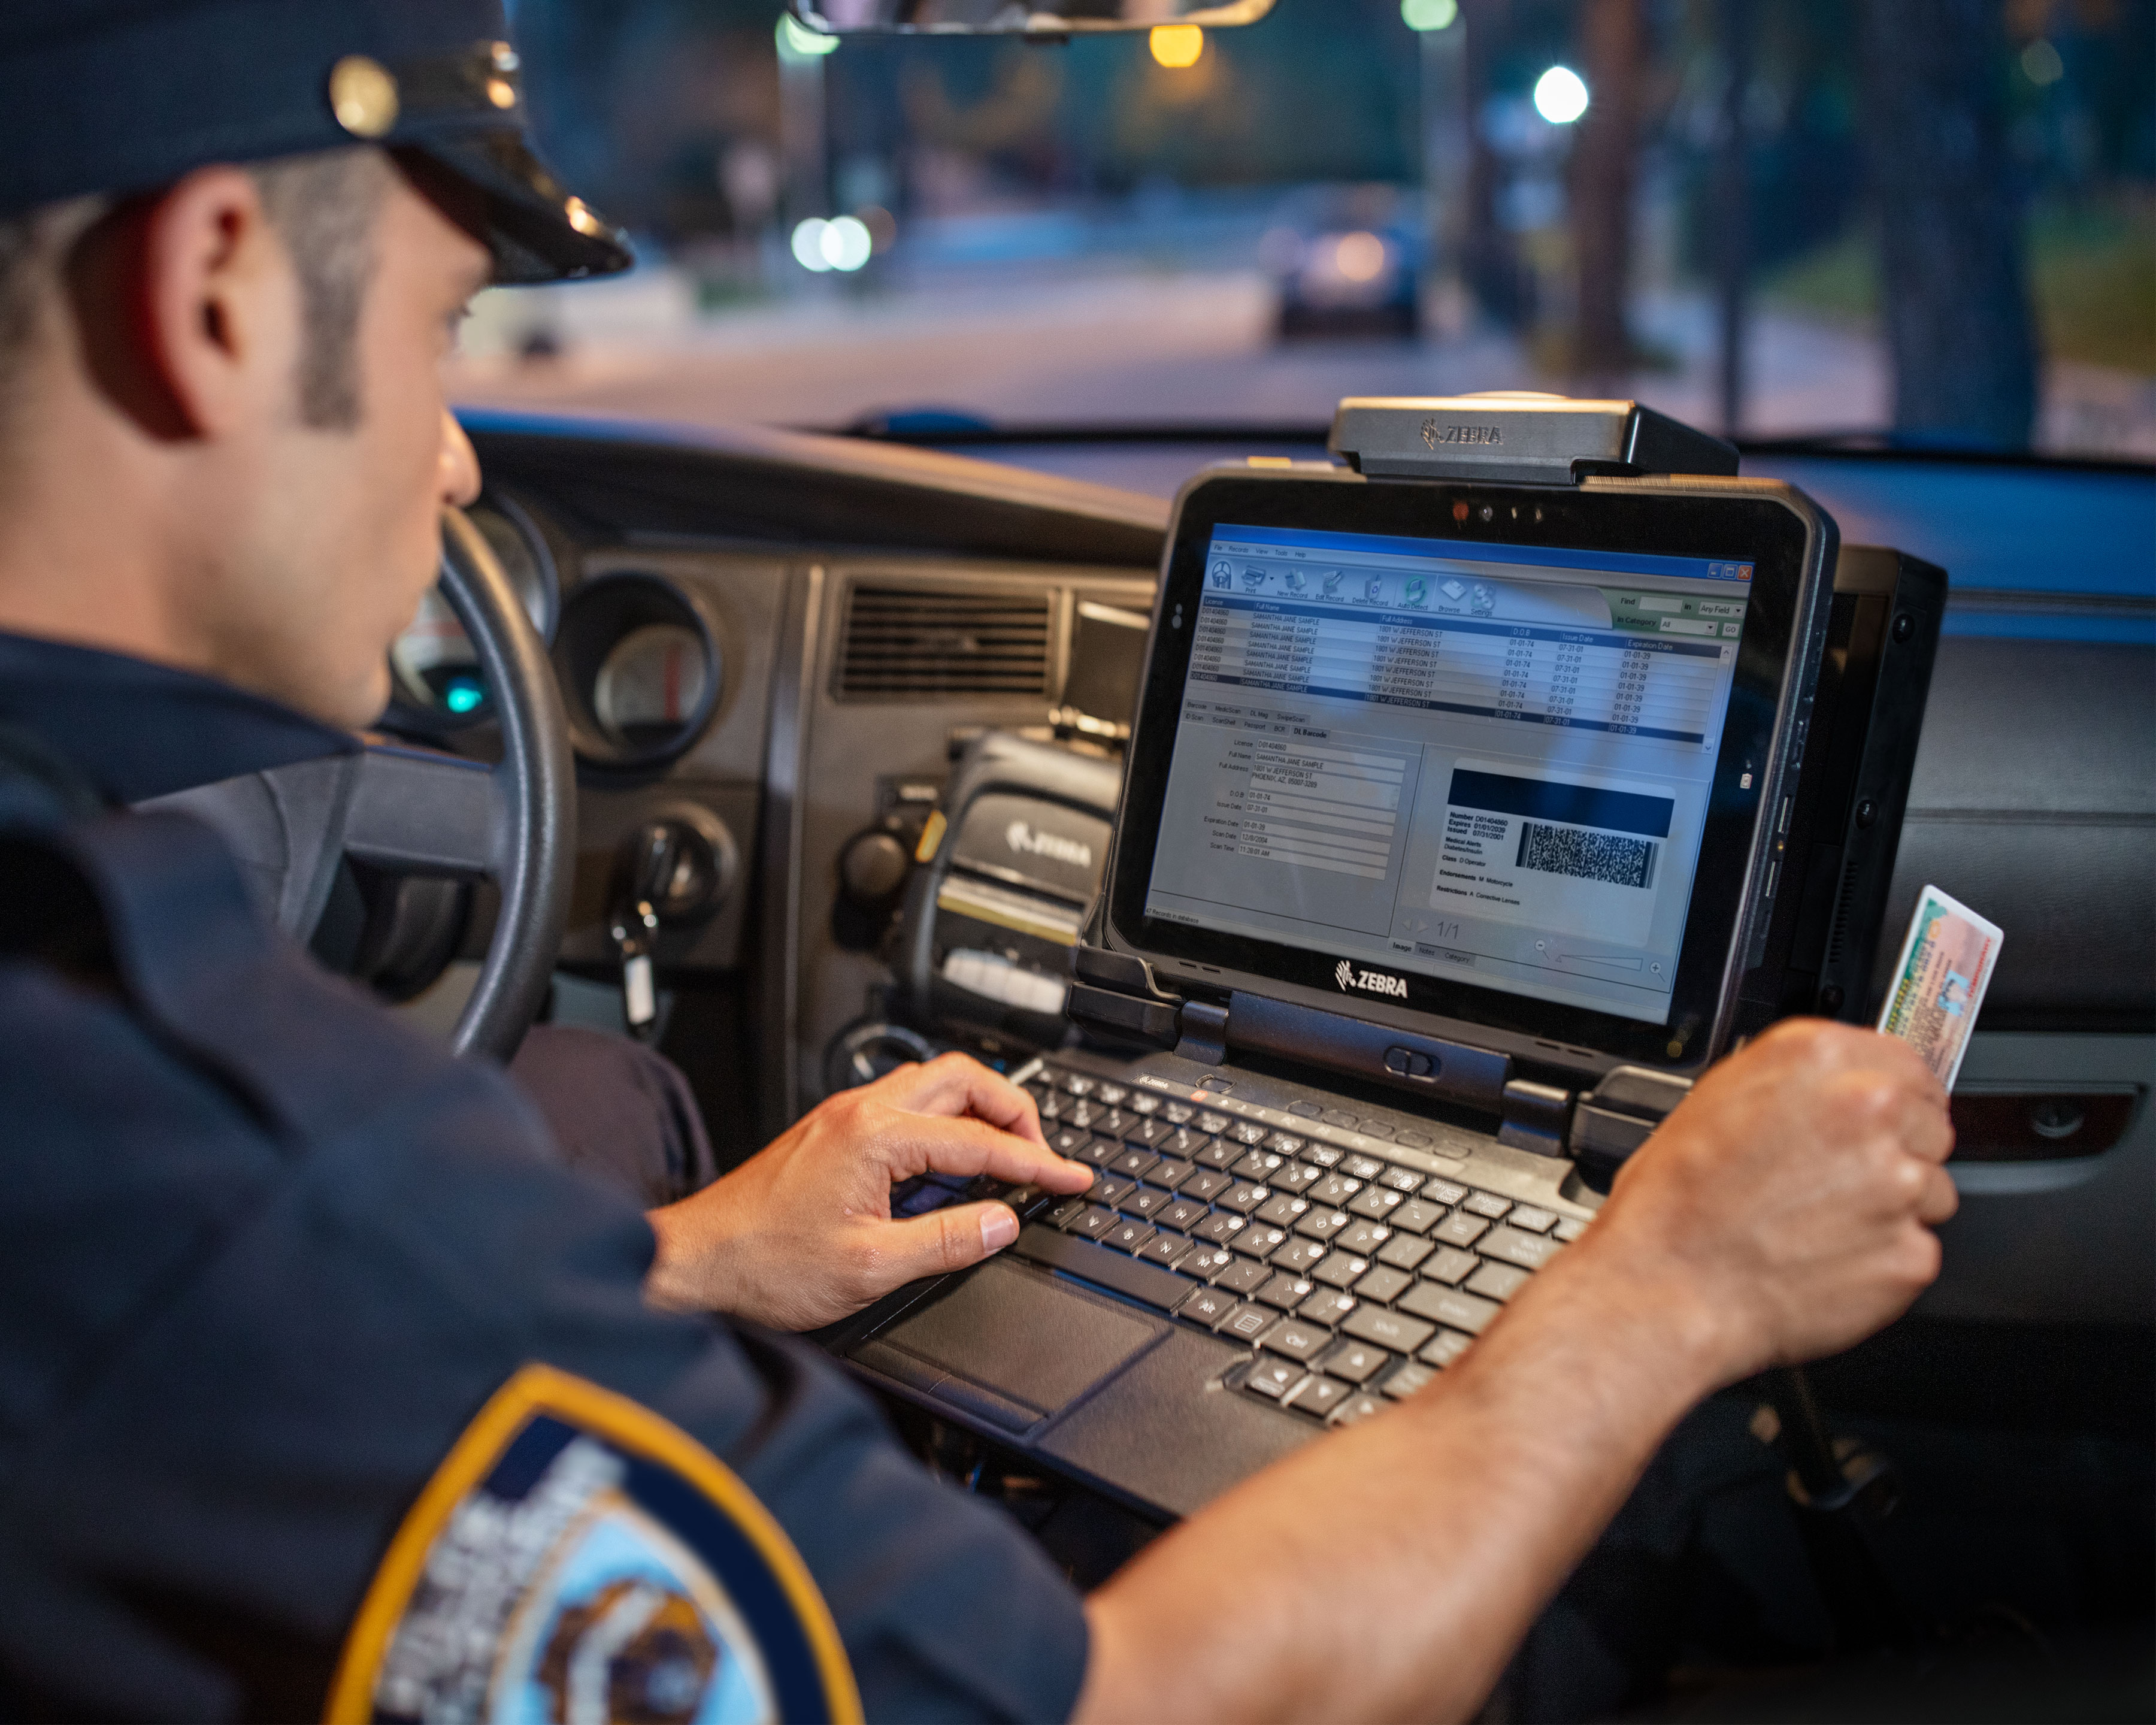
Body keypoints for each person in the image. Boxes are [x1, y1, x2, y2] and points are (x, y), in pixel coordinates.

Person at [0, 3, 1960, 1720]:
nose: (454, 462)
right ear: (220, 289)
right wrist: (1663, 1283)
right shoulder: (219, 1154)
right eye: (443, 334)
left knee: (600, 1099)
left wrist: (686, 1263)